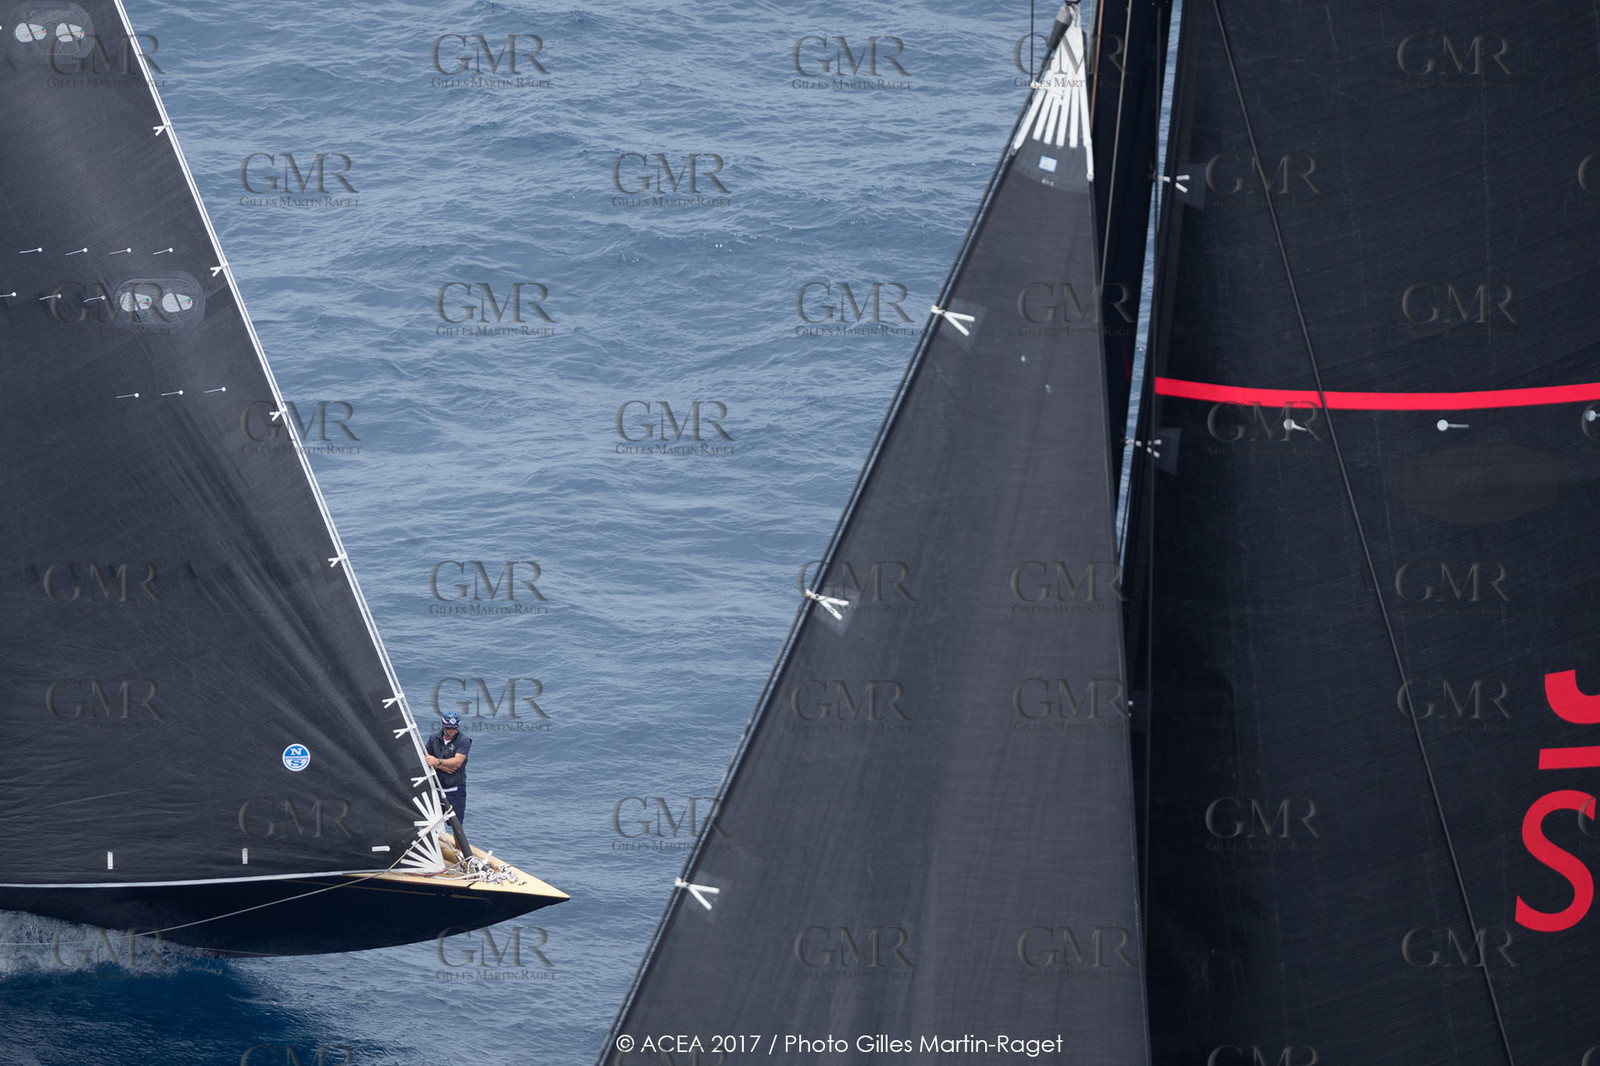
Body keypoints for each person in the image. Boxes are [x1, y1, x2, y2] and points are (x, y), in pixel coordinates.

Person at [425, 712, 472, 824]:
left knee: (456, 823)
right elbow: (425, 758)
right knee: (432, 822)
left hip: (455, 791)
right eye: (449, 728)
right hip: (436, 789)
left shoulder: (464, 740)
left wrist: (438, 762)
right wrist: (441, 766)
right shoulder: (433, 739)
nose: (451, 731)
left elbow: (457, 762)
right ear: (443, 726)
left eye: (454, 728)